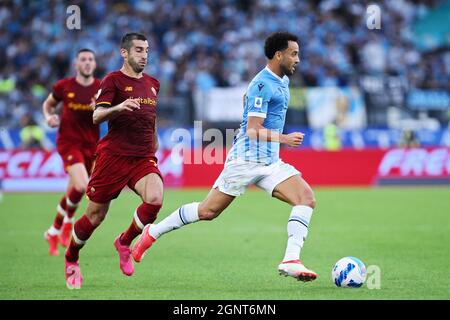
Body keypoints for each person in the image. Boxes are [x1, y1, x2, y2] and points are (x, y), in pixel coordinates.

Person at [133, 32, 318, 282]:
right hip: (244, 161)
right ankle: (152, 232)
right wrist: (285, 139)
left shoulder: (281, 81)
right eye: (294, 54)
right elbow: (253, 129)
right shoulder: (262, 84)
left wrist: (251, 104)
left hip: (270, 163)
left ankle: (291, 259)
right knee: (208, 211)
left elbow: (253, 106)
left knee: (306, 198)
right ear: (278, 55)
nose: (298, 59)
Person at [64, 33, 163, 289]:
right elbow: (97, 116)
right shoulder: (113, 80)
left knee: (155, 199)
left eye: (147, 50)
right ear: (125, 53)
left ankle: (124, 241)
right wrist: (118, 108)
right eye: (139, 50)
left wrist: (154, 140)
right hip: (113, 157)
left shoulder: (153, 83)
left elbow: (151, 116)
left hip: (142, 156)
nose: (144, 55)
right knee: (95, 217)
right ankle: (71, 257)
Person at [42, 49, 101, 256]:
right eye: (83, 59)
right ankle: (67, 223)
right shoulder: (64, 86)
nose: (87, 63)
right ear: (76, 64)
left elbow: (107, 116)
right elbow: (48, 105)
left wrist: (99, 109)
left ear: (94, 64)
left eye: (90, 59)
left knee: (73, 192)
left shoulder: (101, 89)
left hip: (91, 146)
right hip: (69, 143)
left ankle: (53, 231)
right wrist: (49, 117)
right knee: (82, 186)